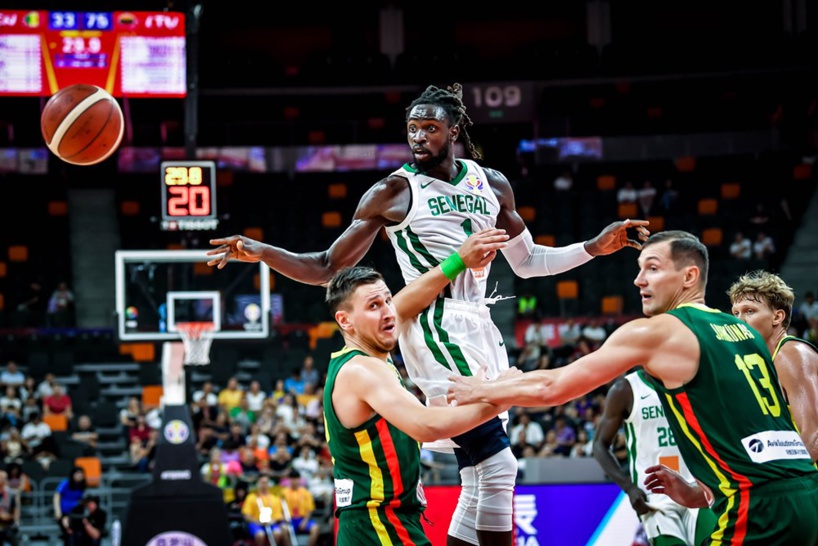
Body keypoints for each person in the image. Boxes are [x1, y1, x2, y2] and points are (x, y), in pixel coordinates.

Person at [207, 82, 649, 546]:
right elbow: (326, 268)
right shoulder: (394, 191)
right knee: (498, 464)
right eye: (412, 128)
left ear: (454, 130)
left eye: (430, 128)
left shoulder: (492, 183)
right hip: (434, 321)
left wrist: (594, 248)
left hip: (480, 321)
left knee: (481, 474)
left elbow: (528, 261)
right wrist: (263, 252)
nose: (419, 137)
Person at [447, 230, 818, 544]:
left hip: (755, 508)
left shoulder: (661, 331)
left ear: (689, 277)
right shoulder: (744, 333)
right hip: (805, 495)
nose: (638, 280)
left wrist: (484, 390)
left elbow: (555, 386)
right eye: (639, 270)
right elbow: (751, 436)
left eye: (652, 269)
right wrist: (701, 492)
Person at [322, 229, 514, 546]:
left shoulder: (365, 363)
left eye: (387, 300)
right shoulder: (363, 369)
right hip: (378, 526)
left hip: (385, 522)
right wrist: (500, 396)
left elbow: (409, 301)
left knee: (477, 482)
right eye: (374, 306)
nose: (388, 311)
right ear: (345, 321)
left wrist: (458, 261)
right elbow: (426, 427)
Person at [593, 369, 716, 546]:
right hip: (655, 497)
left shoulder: (692, 381)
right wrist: (629, 488)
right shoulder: (626, 389)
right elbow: (599, 445)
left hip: (697, 488)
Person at [728, 270, 818, 462]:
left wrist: (776, 483)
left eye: (749, 311)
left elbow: (814, 436)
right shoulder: (760, 364)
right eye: (735, 313)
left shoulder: (791, 354)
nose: (739, 321)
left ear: (777, 317)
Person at [241, 475, 288, 546]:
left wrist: (273, 521)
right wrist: (258, 522)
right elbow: (247, 515)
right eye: (262, 482)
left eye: (266, 482)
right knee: (260, 534)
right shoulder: (251, 497)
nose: (264, 485)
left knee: (277, 533)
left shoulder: (275, 498)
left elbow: (279, 515)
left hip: (271, 523)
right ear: (258, 484)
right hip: (256, 523)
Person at [0, 470, 20, 546]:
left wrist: (16, 520)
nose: (3, 480)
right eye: (1, 477)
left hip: (8, 526)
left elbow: (15, 508)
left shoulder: (11, 493)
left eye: (5, 478)